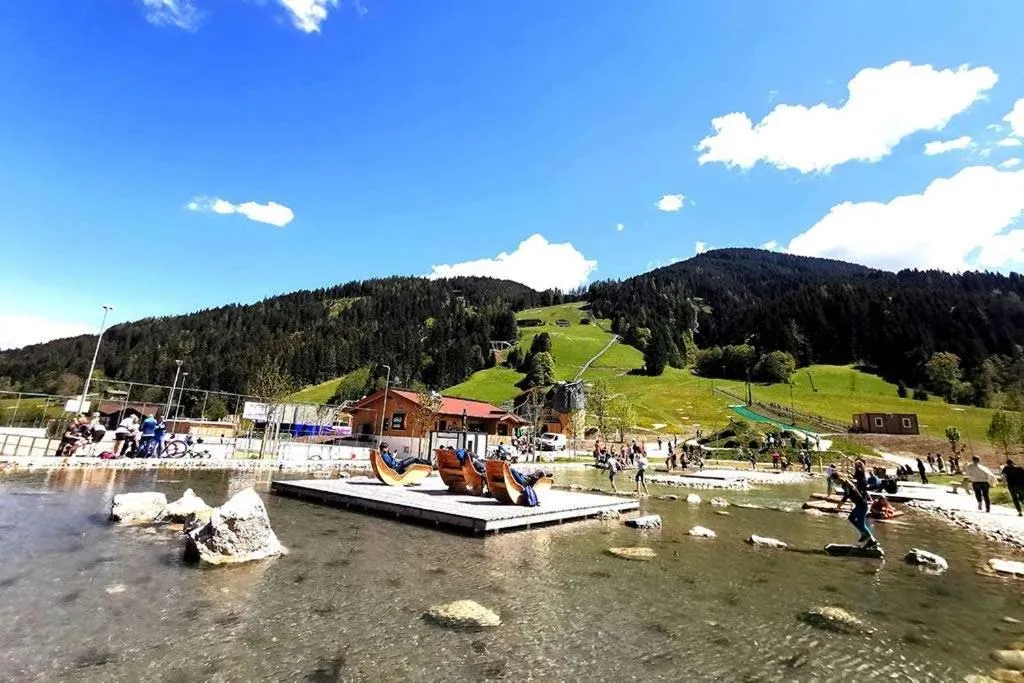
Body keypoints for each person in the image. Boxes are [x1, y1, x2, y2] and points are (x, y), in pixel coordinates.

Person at [831, 470, 878, 548]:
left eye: (834, 480)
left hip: (862, 506)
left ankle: (872, 541)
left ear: (838, 479)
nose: (834, 482)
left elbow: (846, 495)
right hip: (859, 505)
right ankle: (864, 534)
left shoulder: (845, 484)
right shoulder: (846, 482)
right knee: (851, 518)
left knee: (861, 524)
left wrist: (839, 505)